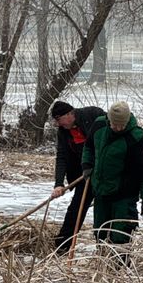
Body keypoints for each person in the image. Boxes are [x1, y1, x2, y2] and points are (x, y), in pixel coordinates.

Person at [81, 101, 143, 262]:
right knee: (100, 232)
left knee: (120, 235)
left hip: (124, 195)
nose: (118, 128)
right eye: (115, 124)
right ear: (109, 119)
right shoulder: (99, 125)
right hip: (100, 191)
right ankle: (103, 265)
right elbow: (89, 147)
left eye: (122, 125)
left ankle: (120, 270)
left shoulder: (136, 137)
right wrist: (86, 164)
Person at [49, 100, 106, 253]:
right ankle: (63, 245)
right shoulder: (63, 131)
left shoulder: (94, 115)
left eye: (59, 120)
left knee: (104, 211)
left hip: (105, 175)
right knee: (76, 209)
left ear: (69, 114)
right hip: (83, 176)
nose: (58, 124)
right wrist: (59, 183)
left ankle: (106, 248)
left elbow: (110, 141)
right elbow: (62, 156)